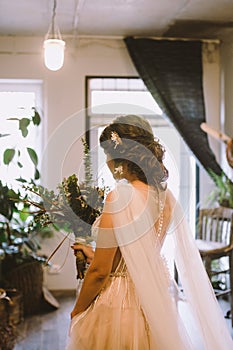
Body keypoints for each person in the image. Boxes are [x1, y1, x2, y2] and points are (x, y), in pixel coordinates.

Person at [67, 114, 233, 349]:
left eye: (107, 155)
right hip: (153, 306)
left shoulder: (120, 197)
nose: (106, 162)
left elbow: (100, 273)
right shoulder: (166, 198)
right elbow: (132, 258)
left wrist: (76, 311)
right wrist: (94, 252)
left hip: (117, 306)